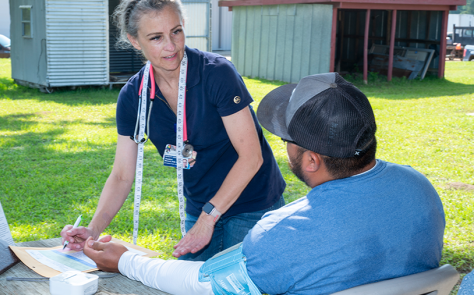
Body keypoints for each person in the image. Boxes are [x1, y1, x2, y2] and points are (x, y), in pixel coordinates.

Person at [83, 72, 446, 295]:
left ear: (311, 161)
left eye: (288, 139)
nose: (283, 145)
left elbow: (203, 284)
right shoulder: (420, 189)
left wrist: (128, 261)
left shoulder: (285, 233)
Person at [61, 0, 285, 261]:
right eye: (156, 38)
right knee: (190, 284)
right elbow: (122, 175)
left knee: (238, 283)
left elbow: (251, 157)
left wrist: (207, 219)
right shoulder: (134, 97)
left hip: (252, 203)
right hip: (201, 205)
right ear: (135, 41)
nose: (171, 46)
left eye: (176, 32)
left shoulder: (217, 74)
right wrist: (93, 229)